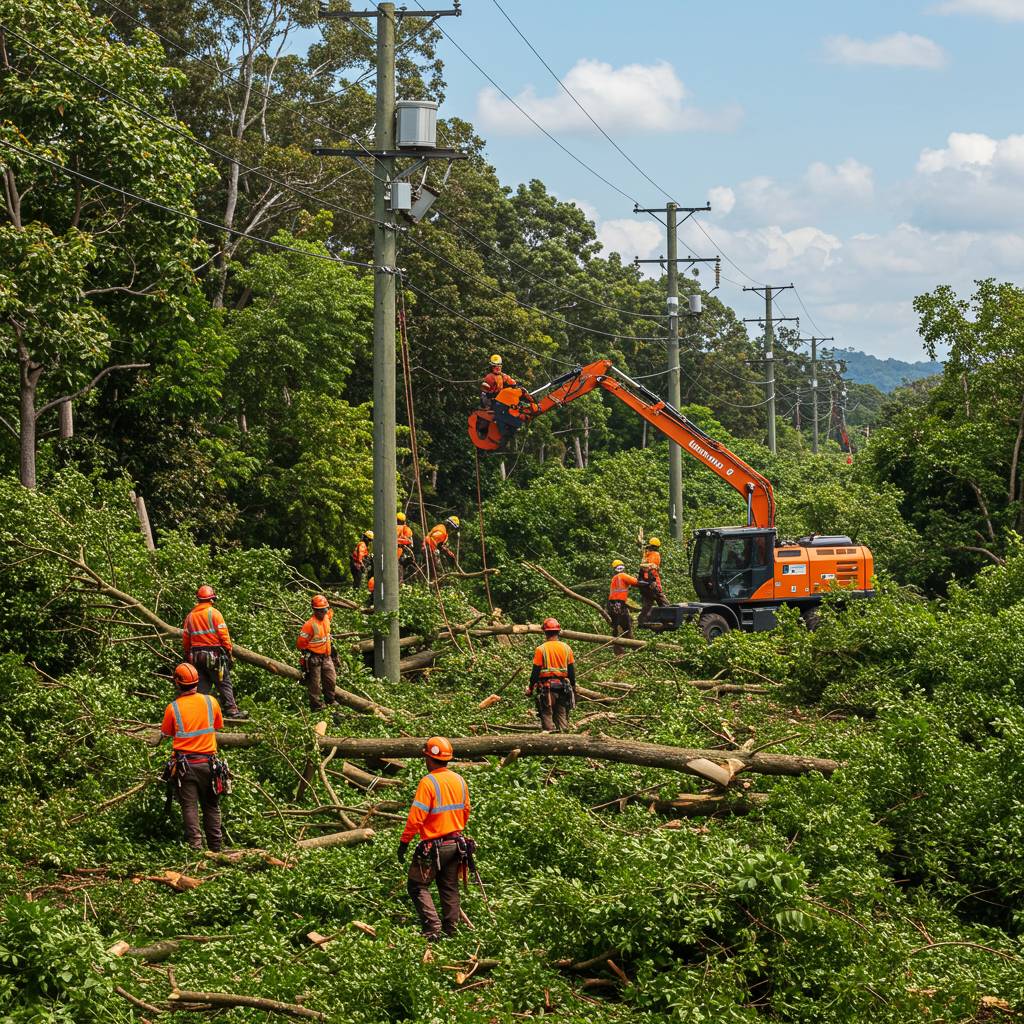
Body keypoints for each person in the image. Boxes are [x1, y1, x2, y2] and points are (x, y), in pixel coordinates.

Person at [398, 737, 473, 941]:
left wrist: (404, 842)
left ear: (429, 758)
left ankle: (432, 928)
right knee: (449, 886)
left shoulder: (428, 782)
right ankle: (451, 930)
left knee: (416, 885)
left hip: (434, 846)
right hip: (456, 843)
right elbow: (466, 810)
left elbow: (416, 818)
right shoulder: (459, 780)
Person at [160, 663, 225, 852]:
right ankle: (216, 849)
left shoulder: (173, 708)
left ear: (177, 682)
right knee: (211, 806)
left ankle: (196, 849)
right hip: (209, 765)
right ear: (197, 681)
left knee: (189, 807)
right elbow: (218, 725)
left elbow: (167, 732)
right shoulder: (211, 702)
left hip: (185, 766)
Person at [182, 585, 246, 719]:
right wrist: (229, 652)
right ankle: (232, 710)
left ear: (198, 600)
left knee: (202, 685)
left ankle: (199, 713)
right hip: (214, 655)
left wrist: (188, 655)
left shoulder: (190, 617)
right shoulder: (214, 613)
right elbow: (224, 636)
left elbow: (186, 639)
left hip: (196, 656)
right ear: (212, 599)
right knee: (223, 682)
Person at [526, 617, 576, 732]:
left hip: (547, 688)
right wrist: (573, 686)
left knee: (546, 714)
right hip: (563, 687)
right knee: (562, 714)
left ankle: (549, 738)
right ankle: (565, 737)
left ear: (545, 632)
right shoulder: (567, 648)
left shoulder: (541, 649)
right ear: (558, 631)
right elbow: (571, 672)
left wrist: (530, 688)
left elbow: (535, 673)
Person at [297, 594, 340, 712]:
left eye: (324, 610)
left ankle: (330, 700)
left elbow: (331, 612)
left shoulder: (327, 617)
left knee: (331, 678)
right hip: (314, 657)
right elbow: (300, 643)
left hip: (326, 655)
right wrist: (308, 652)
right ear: (315, 610)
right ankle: (316, 706)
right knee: (315, 683)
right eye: (320, 610)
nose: (323, 612)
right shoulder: (310, 625)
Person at [607, 560, 639, 656]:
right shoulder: (623, 576)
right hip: (619, 605)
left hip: (611, 605)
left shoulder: (614, 578)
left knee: (616, 628)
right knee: (626, 627)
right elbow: (636, 582)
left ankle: (618, 652)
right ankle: (634, 650)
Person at [638, 537, 669, 626]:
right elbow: (650, 568)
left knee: (648, 603)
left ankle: (642, 621)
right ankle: (669, 617)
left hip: (648, 582)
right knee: (661, 601)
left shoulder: (649, 555)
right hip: (650, 582)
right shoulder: (652, 554)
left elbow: (648, 567)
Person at [397, 512, 415, 582]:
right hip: (400, 555)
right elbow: (411, 544)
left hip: (395, 555)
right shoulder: (406, 529)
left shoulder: (389, 528)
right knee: (399, 575)